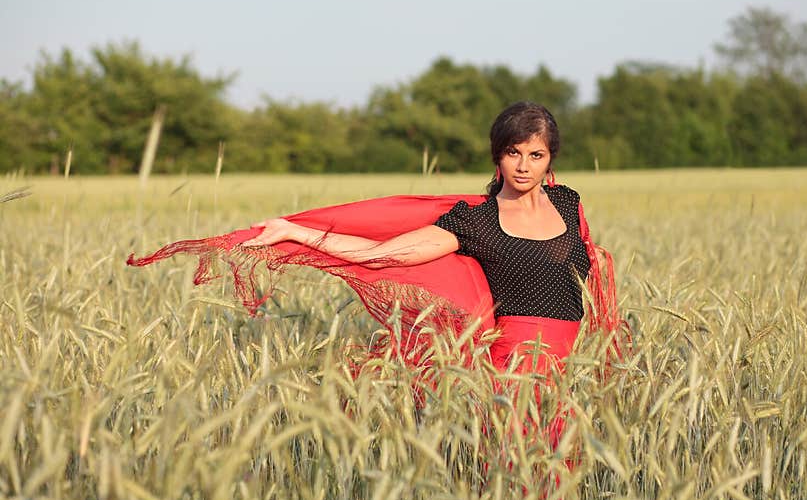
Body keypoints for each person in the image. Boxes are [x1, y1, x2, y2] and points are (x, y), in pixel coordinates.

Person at [128, 101, 630, 449]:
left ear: (551, 160)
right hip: (513, 371)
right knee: (518, 472)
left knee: (563, 472)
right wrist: (295, 232)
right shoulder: (474, 221)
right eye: (513, 153)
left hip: (569, 371)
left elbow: (591, 270)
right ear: (497, 156)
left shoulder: (569, 203)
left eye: (535, 155)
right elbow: (383, 255)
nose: (524, 165)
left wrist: (607, 346)